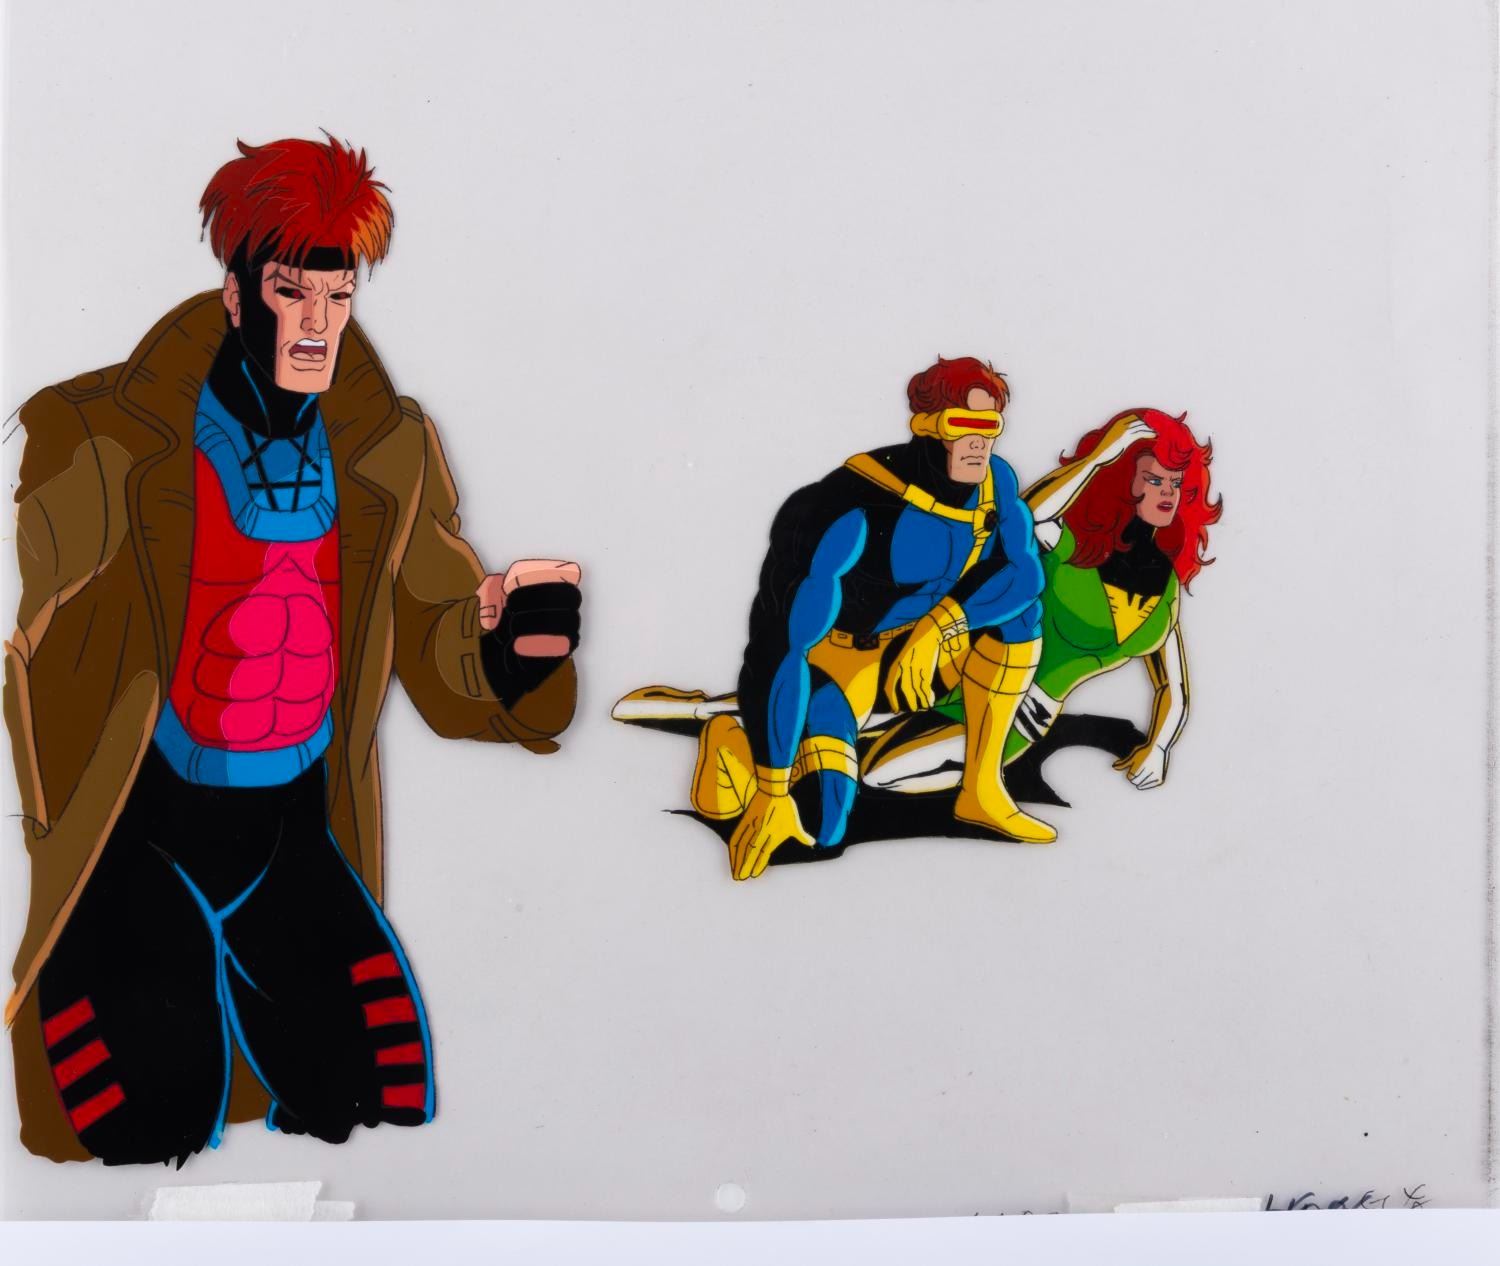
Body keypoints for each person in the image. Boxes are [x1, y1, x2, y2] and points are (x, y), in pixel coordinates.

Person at [4, 136, 582, 1164]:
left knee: (367, 1094)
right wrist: (64, 836)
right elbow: (44, 656)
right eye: (289, 290)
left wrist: (513, 648)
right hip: (143, 825)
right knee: (140, 1123)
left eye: (337, 294)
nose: (316, 322)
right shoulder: (97, 438)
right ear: (237, 293)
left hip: (293, 822)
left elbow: (441, 634)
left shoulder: (386, 450)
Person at [690, 356, 1050, 881]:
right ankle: (736, 743)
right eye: (962, 424)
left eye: (989, 426)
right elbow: (781, 645)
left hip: (925, 650)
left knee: (1021, 615)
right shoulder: (851, 502)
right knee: (823, 826)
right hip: (842, 661)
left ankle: (981, 789)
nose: (978, 442)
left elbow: (1025, 574)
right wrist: (771, 791)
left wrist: (940, 626)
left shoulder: (997, 482)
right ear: (926, 424)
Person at [862, 408, 1219, 798]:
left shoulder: (1167, 593)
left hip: (1025, 715)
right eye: (1153, 479)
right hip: (964, 663)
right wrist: (1099, 457)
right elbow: (1027, 518)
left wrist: (1160, 747)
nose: (1168, 493)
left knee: (880, 774)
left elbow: (1173, 686)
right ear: (1120, 480)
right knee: (847, 721)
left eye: (1175, 483)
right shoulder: (1072, 546)